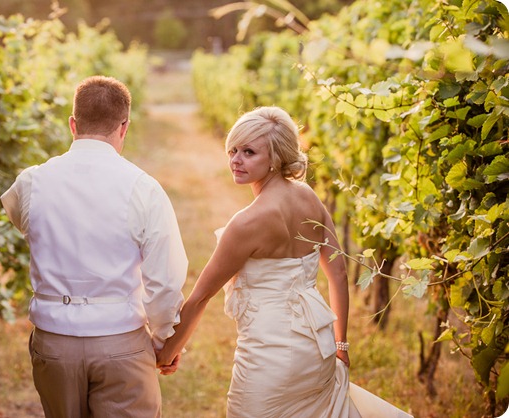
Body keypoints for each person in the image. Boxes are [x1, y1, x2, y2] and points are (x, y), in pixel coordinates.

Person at [156, 107, 412, 417]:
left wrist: (166, 354)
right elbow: (339, 273)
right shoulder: (309, 198)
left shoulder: (246, 223)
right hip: (316, 352)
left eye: (248, 152)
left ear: (276, 158)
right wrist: (341, 345)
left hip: (268, 360)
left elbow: (200, 298)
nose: (235, 160)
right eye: (233, 150)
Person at [1, 75, 187, 418]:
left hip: (53, 344)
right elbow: (166, 279)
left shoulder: (30, 183)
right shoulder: (142, 187)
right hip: (121, 341)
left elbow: (21, 219)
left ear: (73, 124)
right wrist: (163, 338)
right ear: (124, 127)